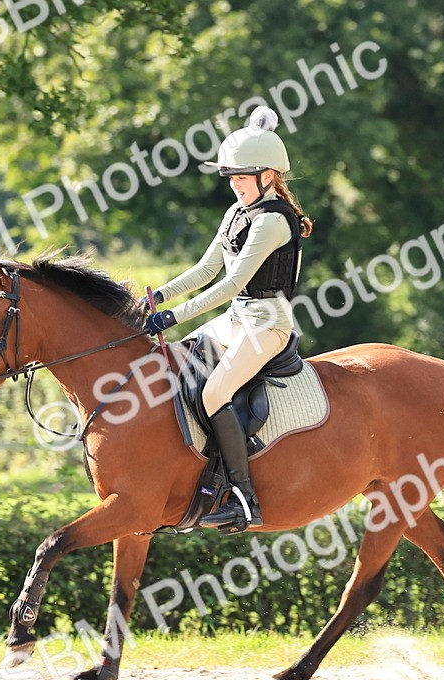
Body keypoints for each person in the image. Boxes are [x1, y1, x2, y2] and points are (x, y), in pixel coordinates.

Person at [143, 105, 313, 532]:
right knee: (175, 362)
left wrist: (172, 316)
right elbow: (206, 270)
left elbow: (232, 284)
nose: (235, 184)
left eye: (242, 177)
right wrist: (158, 297)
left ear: (268, 176)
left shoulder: (273, 221)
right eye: (231, 177)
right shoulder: (236, 213)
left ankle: (243, 497)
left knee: (214, 392)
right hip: (236, 320)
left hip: (267, 326)